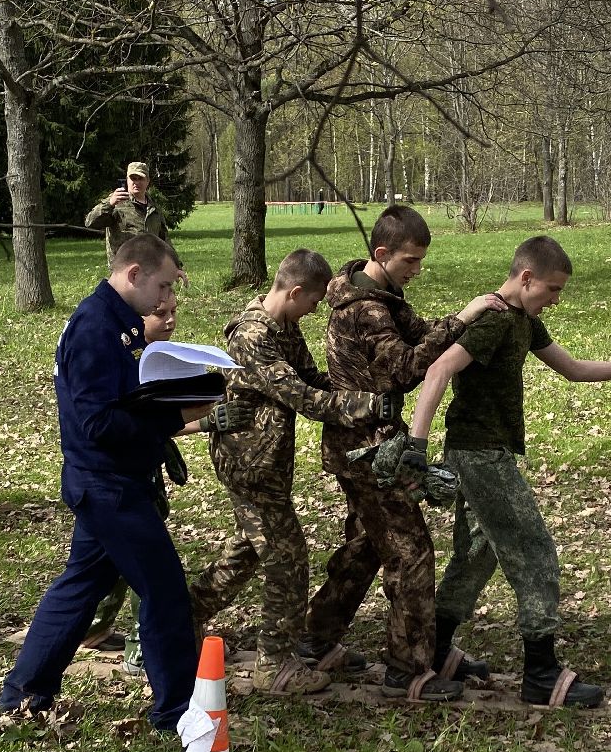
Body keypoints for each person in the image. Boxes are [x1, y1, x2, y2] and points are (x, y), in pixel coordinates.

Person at [406, 234, 611, 708]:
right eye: (552, 289)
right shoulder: (494, 320)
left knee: (477, 555)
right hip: (480, 455)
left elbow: (571, 368)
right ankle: (541, 674)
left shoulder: (524, 321)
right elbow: (438, 370)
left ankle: (436, 649)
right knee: (534, 554)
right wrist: (416, 446)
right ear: (526, 278)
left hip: (485, 453)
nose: (555, 299)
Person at [0, 233, 244, 733]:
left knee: (80, 586)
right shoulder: (95, 327)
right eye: (163, 286)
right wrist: (177, 414)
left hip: (115, 479)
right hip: (107, 485)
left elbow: (124, 398)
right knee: (165, 591)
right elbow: (97, 423)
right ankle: (177, 712)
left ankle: (24, 693)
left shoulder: (120, 323)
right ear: (133, 274)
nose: (167, 298)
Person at [305, 206, 507, 702]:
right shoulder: (366, 310)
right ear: (381, 254)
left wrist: (463, 320)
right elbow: (405, 368)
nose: (416, 270)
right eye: (410, 261)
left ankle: (315, 637)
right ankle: (407, 669)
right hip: (367, 450)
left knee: (366, 545)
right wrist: (465, 317)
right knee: (410, 551)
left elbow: (420, 333)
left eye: (420, 260)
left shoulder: (383, 296)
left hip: (366, 445)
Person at [184, 249, 396, 695]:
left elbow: (312, 378)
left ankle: (181, 618)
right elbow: (299, 395)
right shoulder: (252, 336)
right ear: (295, 291)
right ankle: (275, 664)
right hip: (248, 465)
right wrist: (366, 406)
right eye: (314, 301)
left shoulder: (284, 327)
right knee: (287, 557)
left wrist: (360, 387)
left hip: (267, 461)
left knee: (249, 549)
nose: (316, 310)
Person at [78, 291, 199, 675]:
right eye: (160, 313)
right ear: (138, 316)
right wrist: (206, 420)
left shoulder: (158, 358)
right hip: (117, 480)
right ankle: (140, 646)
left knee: (110, 559)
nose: (170, 320)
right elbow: (140, 424)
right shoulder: (129, 361)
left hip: (139, 472)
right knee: (145, 564)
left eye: (174, 311)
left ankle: (94, 628)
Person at [85, 162, 169, 266]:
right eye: (133, 178)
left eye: (140, 178)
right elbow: (90, 222)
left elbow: (164, 240)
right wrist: (109, 204)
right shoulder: (116, 203)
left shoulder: (154, 208)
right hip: (124, 269)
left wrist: (176, 267)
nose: (136, 182)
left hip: (149, 268)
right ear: (127, 180)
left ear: (147, 181)